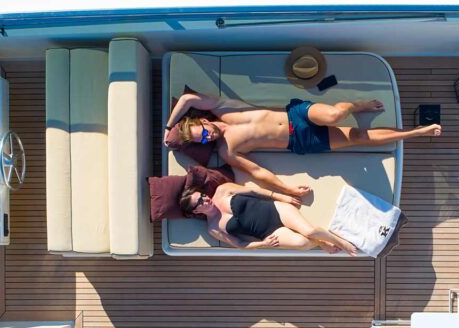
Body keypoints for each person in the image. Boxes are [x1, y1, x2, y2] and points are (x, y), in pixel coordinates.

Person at [164, 94, 442, 197]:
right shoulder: (227, 151)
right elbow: (259, 173)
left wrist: (169, 127)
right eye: (202, 141)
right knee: (358, 137)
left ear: (202, 120)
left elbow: (187, 99)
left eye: (203, 132)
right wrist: (286, 189)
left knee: (334, 114)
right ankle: (416, 132)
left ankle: (355, 104)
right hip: (300, 140)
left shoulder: (223, 109)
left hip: (296, 115)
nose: (207, 138)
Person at [178, 182, 358, 255]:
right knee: (302, 244)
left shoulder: (223, 190)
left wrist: (282, 197)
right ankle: (319, 243)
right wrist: (263, 244)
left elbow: (254, 191)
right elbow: (240, 245)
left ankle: (341, 243)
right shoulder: (214, 228)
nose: (205, 199)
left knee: (309, 230)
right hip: (269, 232)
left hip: (276, 210)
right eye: (200, 202)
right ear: (195, 212)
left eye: (202, 195)